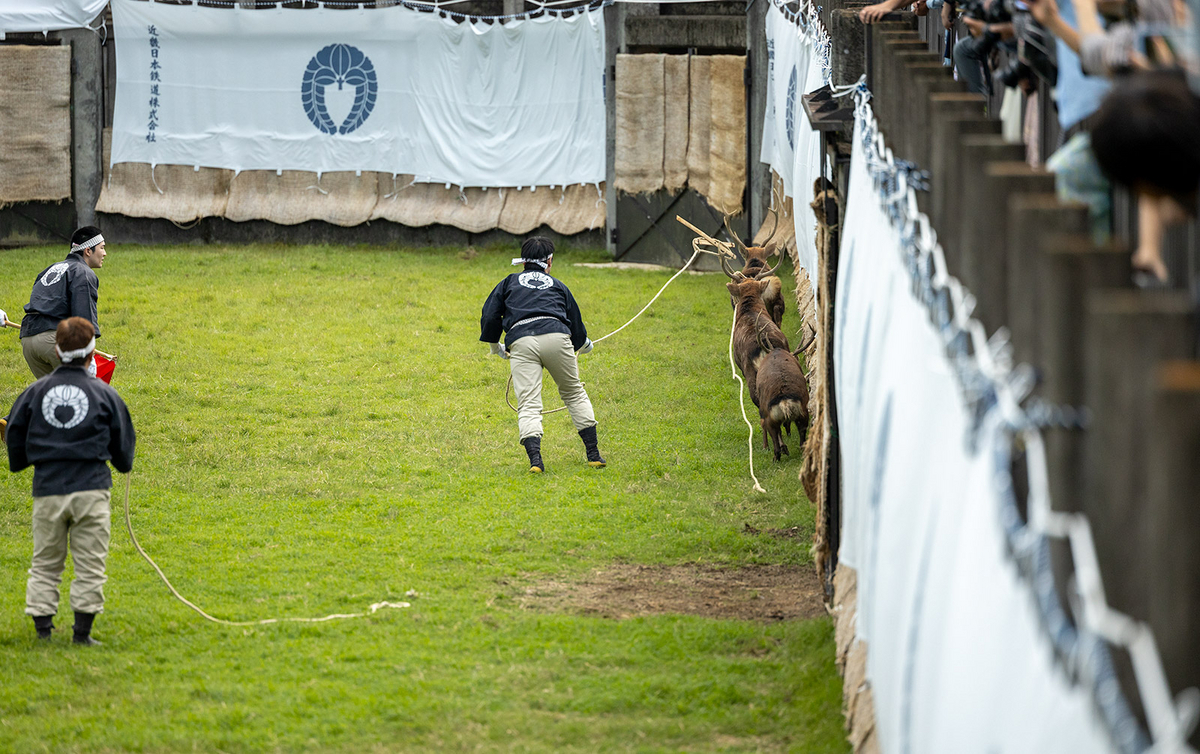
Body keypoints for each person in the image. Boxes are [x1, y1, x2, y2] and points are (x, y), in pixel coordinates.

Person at [6, 317, 136, 645]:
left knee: (46, 562)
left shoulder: (35, 391)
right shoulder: (105, 394)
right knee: (90, 562)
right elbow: (123, 444)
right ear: (92, 353)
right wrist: (121, 463)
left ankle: (43, 632)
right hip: (91, 489)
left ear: (57, 349)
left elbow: (14, 431)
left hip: (48, 488)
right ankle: (82, 635)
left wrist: (20, 462)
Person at [480, 237, 606, 473]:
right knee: (573, 393)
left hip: (521, 340)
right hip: (557, 337)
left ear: (523, 261)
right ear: (549, 261)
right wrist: (583, 343)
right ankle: (594, 454)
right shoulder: (558, 285)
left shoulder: (508, 282)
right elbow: (574, 320)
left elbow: (489, 316)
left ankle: (536, 461)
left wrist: (495, 347)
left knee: (528, 403)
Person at [20, 226, 108, 380]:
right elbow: (83, 318)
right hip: (54, 341)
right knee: (78, 391)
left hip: (28, 339)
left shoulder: (50, 269)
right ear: (88, 251)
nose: (105, 253)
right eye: (102, 248)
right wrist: (88, 352)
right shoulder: (83, 272)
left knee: (54, 393)